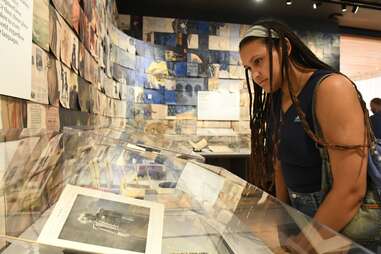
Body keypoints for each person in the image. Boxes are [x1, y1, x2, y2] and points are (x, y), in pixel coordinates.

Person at [239, 20, 380, 251]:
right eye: (249, 68)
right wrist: (282, 220)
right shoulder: (276, 98)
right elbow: (280, 162)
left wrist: (305, 245)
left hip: (341, 221)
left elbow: (351, 189)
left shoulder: (330, 88)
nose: (255, 74)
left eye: (259, 61)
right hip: (299, 215)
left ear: (285, 47)